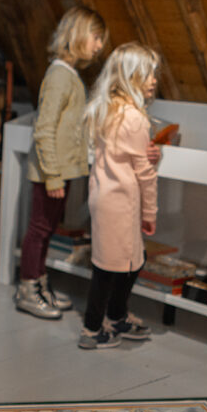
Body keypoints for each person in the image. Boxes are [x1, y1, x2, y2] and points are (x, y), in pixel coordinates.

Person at [15, 6, 108, 319]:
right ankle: (28, 289)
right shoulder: (58, 75)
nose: (99, 46)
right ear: (79, 35)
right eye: (96, 38)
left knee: (47, 229)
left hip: (59, 171)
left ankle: (39, 285)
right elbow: (44, 129)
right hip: (49, 172)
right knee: (39, 229)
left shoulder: (69, 74)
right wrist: (53, 176)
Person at [77, 42, 161, 350]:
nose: (154, 79)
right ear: (130, 77)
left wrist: (148, 152)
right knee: (111, 267)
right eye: (147, 73)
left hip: (103, 198)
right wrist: (150, 212)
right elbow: (145, 174)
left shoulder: (106, 109)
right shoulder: (135, 118)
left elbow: (127, 156)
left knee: (122, 262)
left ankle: (115, 315)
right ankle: (92, 328)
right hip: (123, 203)